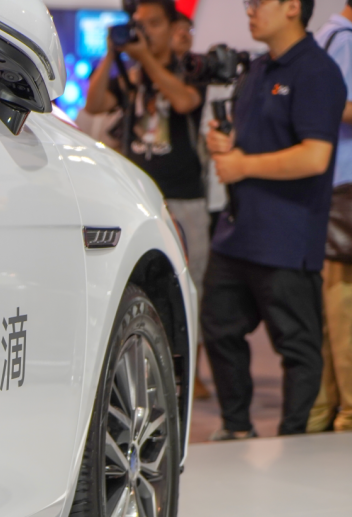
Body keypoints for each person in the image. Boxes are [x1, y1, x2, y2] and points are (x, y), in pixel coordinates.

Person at [202, 0, 346, 439]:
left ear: (292, 8)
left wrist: (244, 165)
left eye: (260, 2)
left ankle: (294, 436)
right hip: (237, 230)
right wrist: (225, 144)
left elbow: (315, 156)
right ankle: (236, 427)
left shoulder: (318, 72)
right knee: (218, 326)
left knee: (297, 346)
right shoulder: (259, 68)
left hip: (287, 236)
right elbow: (250, 140)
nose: (250, 10)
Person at [86, 0, 212, 400]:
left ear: (174, 27)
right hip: (139, 200)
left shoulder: (190, 69)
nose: (144, 31)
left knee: (191, 286)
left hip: (185, 198)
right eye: (138, 23)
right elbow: (94, 103)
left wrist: (146, 61)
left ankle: (190, 374)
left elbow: (185, 102)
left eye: (153, 23)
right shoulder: (132, 76)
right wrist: (113, 55)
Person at [308, 2, 352, 432]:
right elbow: (335, 105)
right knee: (343, 306)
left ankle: (323, 410)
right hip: (343, 186)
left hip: (330, 186)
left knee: (331, 306)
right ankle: (346, 413)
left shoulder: (327, 36)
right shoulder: (345, 40)